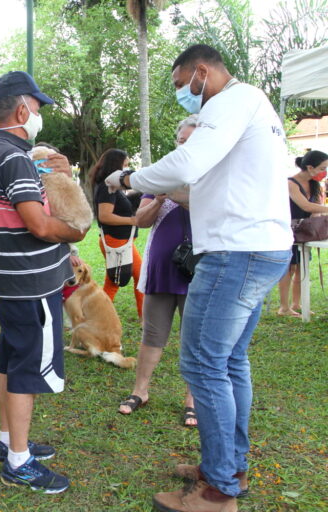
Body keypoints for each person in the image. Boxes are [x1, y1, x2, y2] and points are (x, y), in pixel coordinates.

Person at [105, 44, 292, 511]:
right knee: (229, 362)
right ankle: (229, 466)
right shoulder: (254, 104)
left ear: (201, 72)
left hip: (236, 250)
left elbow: (185, 164)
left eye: (180, 84)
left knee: (205, 365)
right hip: (259, 246)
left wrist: (128, 179)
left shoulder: (228, 103)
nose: (182, 96)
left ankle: (216, 491)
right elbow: (197, 180)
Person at [0, 71, 87, 494]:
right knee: (26, 369)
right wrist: (75, 232)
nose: (38, 116)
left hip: (9, 279)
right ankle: (19, 461)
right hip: (30, 283)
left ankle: (9, 442)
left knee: (10, 359)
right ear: (22, 110)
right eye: (37, 108)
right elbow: (40, 225)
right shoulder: (14, 156)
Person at [117, 115, 198, 427]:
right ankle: (140, 391)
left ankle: (192, 400)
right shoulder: (165, 175)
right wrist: (159, 196)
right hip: (162, 267)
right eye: (181, 141)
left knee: (194, 339)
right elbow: (141, 219)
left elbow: (205, 205)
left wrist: (172, 190)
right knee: (152, 332)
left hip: (198, 269)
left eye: (191, 141)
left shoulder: (211, 174)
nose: (185, 146)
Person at [90, 148, 144, 318]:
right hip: (116, 241)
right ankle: (144, 318)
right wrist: (132, 221)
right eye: (124, 165)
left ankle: (96, 317)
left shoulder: (113, 186)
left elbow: (121, 206)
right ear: (115, 165)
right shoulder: (107, 187)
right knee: (139, 277)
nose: (126, 170)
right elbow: (104, 216)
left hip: (120, 240)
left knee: (114, 281)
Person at [277, 150, 328, 317]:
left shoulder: (315, 184)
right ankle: (284, 307)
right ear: (310, 167)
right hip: (288, 231)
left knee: (302, 267)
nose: (324, 172)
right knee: (289, 268)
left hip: (306, 231)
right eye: (322, 168)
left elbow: (316, 209)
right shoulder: (290, 183)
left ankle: (297, 303)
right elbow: (306, 206)